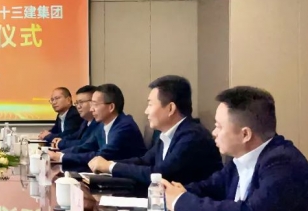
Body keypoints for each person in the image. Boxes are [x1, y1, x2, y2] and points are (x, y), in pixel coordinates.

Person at [163, 86, 308, 211]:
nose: (214, 132)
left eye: (219, 126)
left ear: (245, 134)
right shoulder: (239, 160)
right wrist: (171, 192)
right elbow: (210, 187)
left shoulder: (282, 163)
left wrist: (181, 201)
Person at [88, 76, 222, 185]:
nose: (146, 111)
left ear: (170, 108)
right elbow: (144, 161)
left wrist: (110, 167)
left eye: (150, 104)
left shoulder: (192, 136)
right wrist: (109, 164)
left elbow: (160, 174)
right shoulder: (168, 134)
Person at [50, 84, 146, 169]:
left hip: (130, 180)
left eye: (95, 104)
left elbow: (103, 156)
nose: (91, 109)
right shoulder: (102, 125)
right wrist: (60, 154)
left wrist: (62, 157)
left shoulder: (124, 126)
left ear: (111, 107)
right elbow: (85, 147)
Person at [52, 85, 101, 150]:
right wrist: (60, 140)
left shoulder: (99, 123)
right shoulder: (85, 122)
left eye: (81, 102)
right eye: (77, 103)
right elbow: (76, 136)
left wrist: (61, 145)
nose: (78, 106)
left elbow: (85, 144)